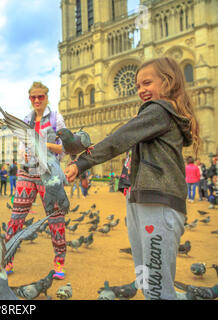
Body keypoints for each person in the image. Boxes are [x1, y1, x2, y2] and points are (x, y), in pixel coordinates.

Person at [65, 57, 200, 300]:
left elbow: (121, 137)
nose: (140, 90)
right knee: (147, 282)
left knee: (156, 289)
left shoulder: (159, 110)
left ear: (168, 82)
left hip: (158, 203)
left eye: (147, 83)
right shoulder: (158, 113)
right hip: (144, 201)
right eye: (137, 86)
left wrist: (83, 162)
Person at [5, 81, 68, 280]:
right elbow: (23, 146)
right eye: (33, 97)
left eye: (41, 96)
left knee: (55, 217)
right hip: (27, 172)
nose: (37, 100)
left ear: (47, 97)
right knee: (16, 218)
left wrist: (43, 145)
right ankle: (6, 258)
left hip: (48, 173)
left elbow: (64, 148)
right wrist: (22, 155)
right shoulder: (26, 119)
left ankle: (59, 261)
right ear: (29, 99)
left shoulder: (56, 118)